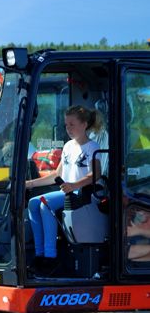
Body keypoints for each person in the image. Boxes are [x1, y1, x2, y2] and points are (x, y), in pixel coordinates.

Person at [25, 105, 102, 272]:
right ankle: (39, 253)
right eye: (66, 125)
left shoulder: (92, 147)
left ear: (84, 125)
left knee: (45, 204)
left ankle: (50, 256)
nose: (68, 129)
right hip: (66, 192)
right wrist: (29, 183)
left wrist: (74, 185)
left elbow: (96, 174)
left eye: (72, 124)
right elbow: (57, 174)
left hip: (80, 193)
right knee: (33, 203)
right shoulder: (67, 146)